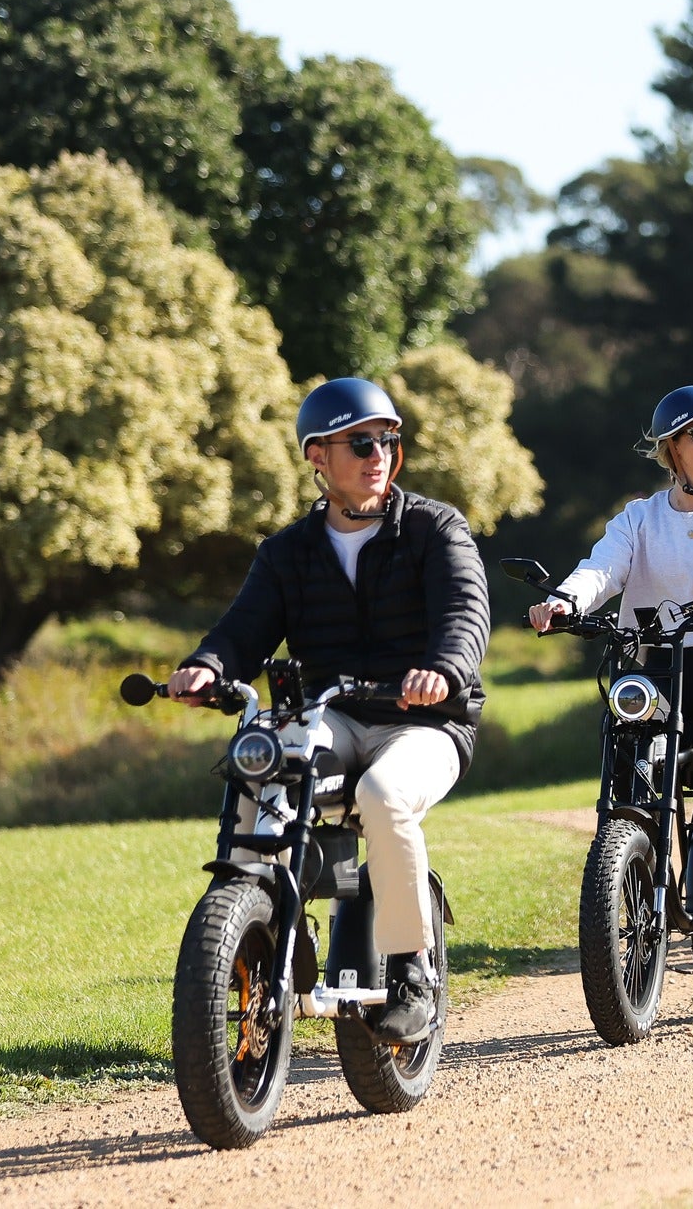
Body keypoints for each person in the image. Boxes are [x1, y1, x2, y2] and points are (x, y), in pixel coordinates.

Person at [166, 377, 489, 1043]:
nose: (379, 455)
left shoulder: (435, 528)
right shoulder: (287, 552)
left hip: (427, 720)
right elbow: (242, 631)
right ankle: (255, 921)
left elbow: (465, 613)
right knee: (259, 756)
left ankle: (410, 973)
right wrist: (208, 667)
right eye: (361, 442)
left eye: (388, 441)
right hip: (334, 715)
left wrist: (445, 671)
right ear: (318, 456)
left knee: (383, 793)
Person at [528, 386, 693, 975]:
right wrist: (564, 602)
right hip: (654, 669)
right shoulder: (640, 518)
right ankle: (640, 874)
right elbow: (602, 568)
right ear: (671, 447)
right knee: (626, 780)